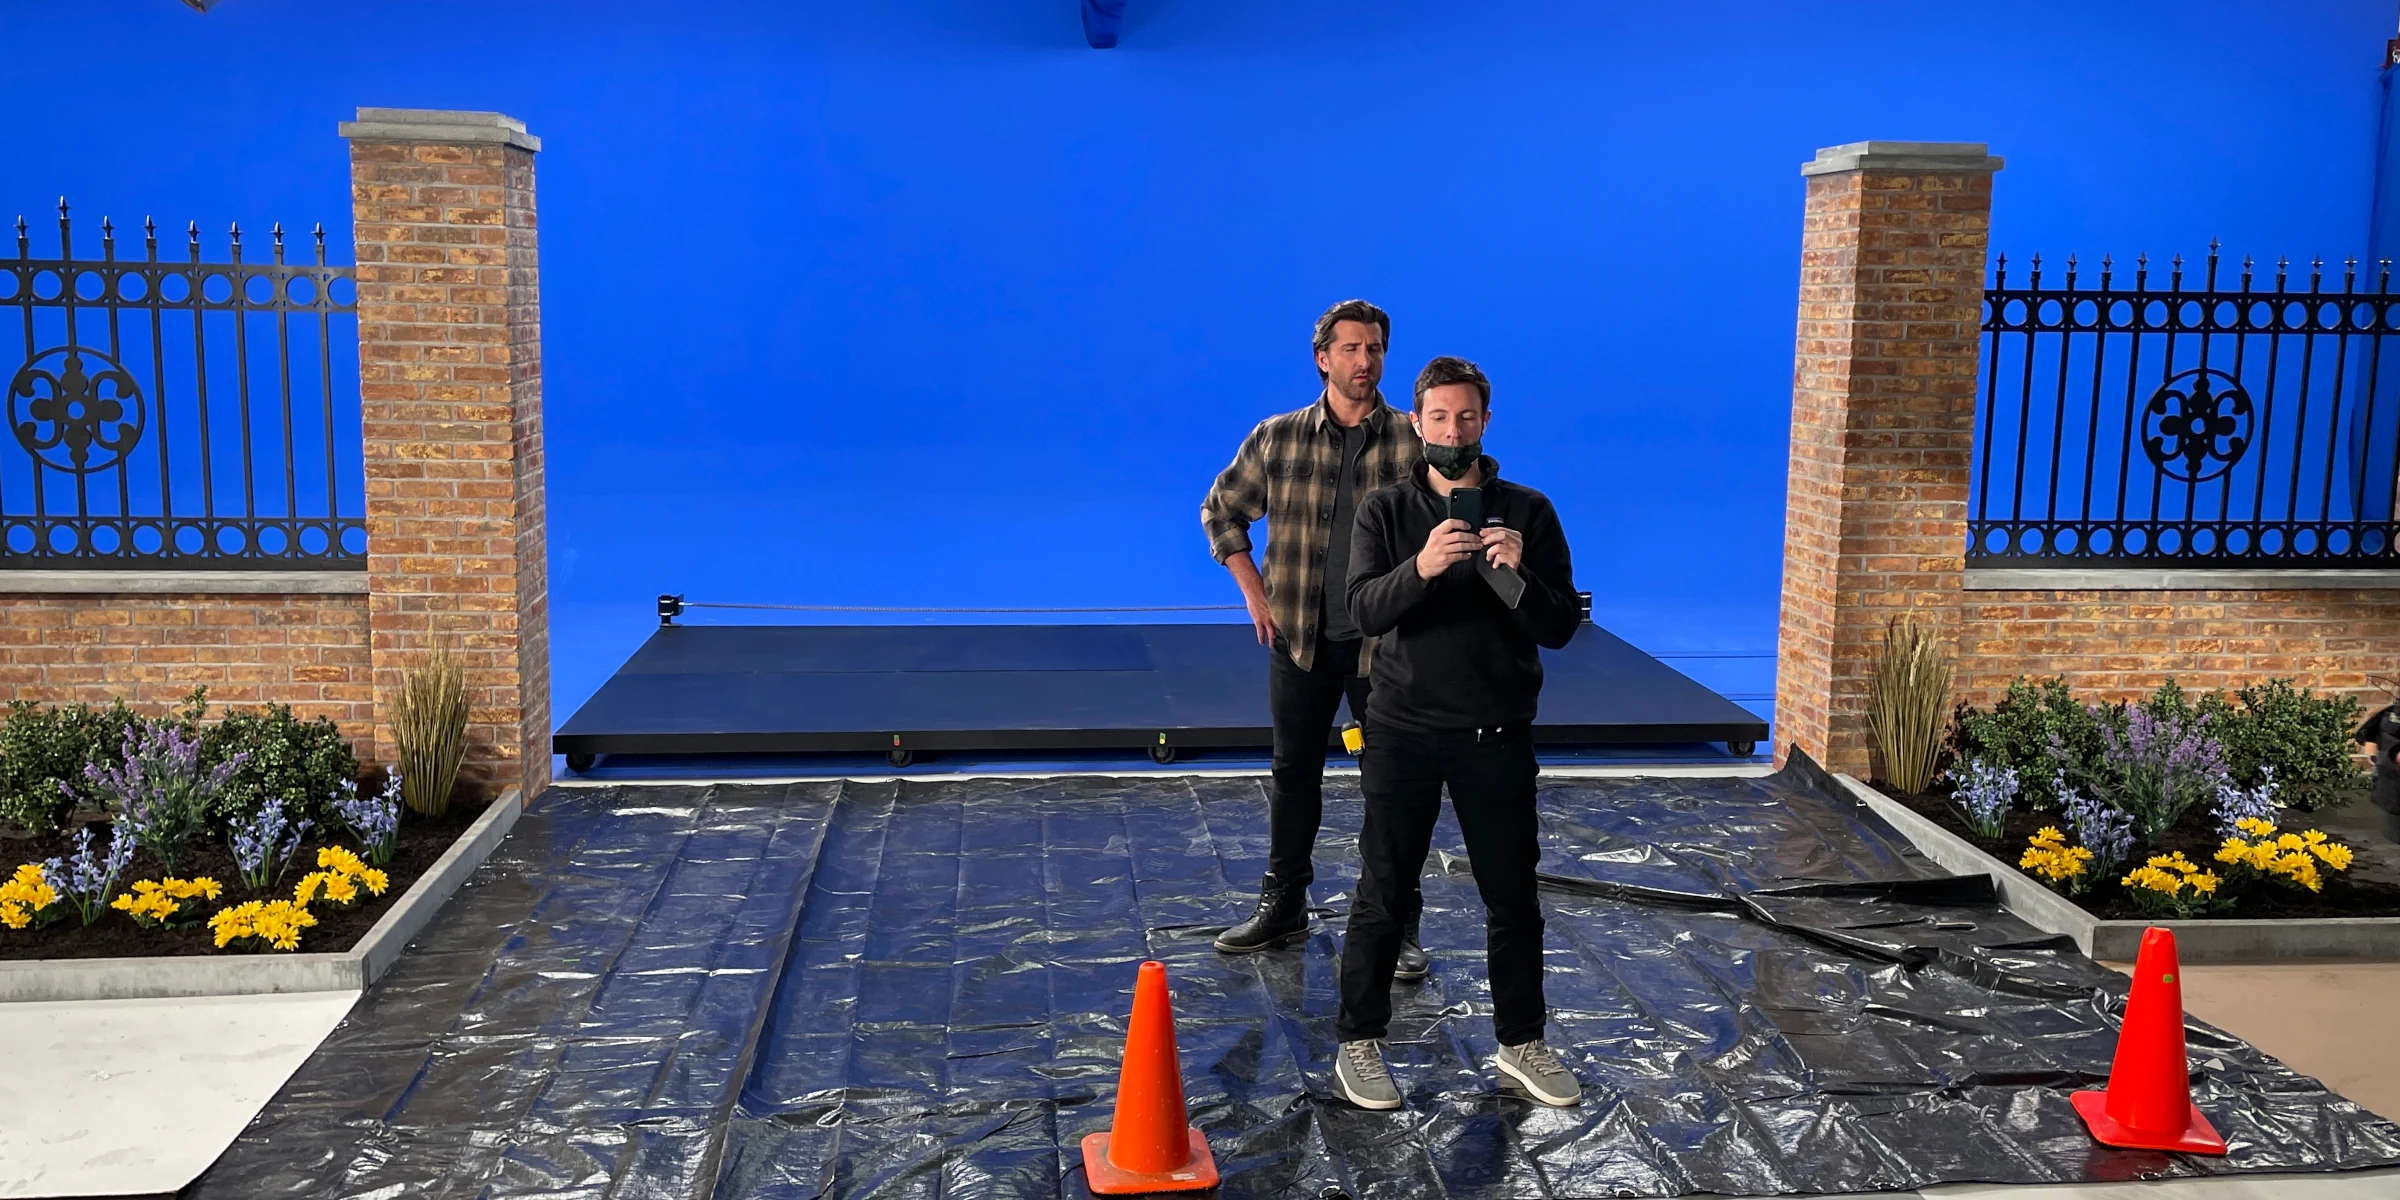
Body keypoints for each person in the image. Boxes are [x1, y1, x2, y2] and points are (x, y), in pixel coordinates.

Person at [1330, 355, 1584, 1110]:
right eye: (1438, 417)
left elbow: (1559, 626)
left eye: (1466, 417)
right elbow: (1362, 611)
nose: (1452, 430)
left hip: (1496, 734)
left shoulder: (1530, 511)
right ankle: (1359, 1041)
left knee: (1512, 896)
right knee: (1384, 889)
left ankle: (1521, 1043)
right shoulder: (1384, 511)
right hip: (1402, 731)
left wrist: (1517, 575)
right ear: (1416, 423)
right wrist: (1424, 566)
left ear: (1485, 422)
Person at [1199, 299, 1428, 978]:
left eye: (1375, 348)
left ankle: (1396, 921)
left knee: (1391, 784)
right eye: (1351, 348)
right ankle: (1284, 906)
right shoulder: (1278, 438)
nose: (1365, 361)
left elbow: (1461, 507)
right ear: (1323, 358)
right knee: (1293, 774)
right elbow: (1222, 510)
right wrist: (1253, 590)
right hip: (1300, 638)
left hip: (1387, 649)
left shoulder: (1415, 440)